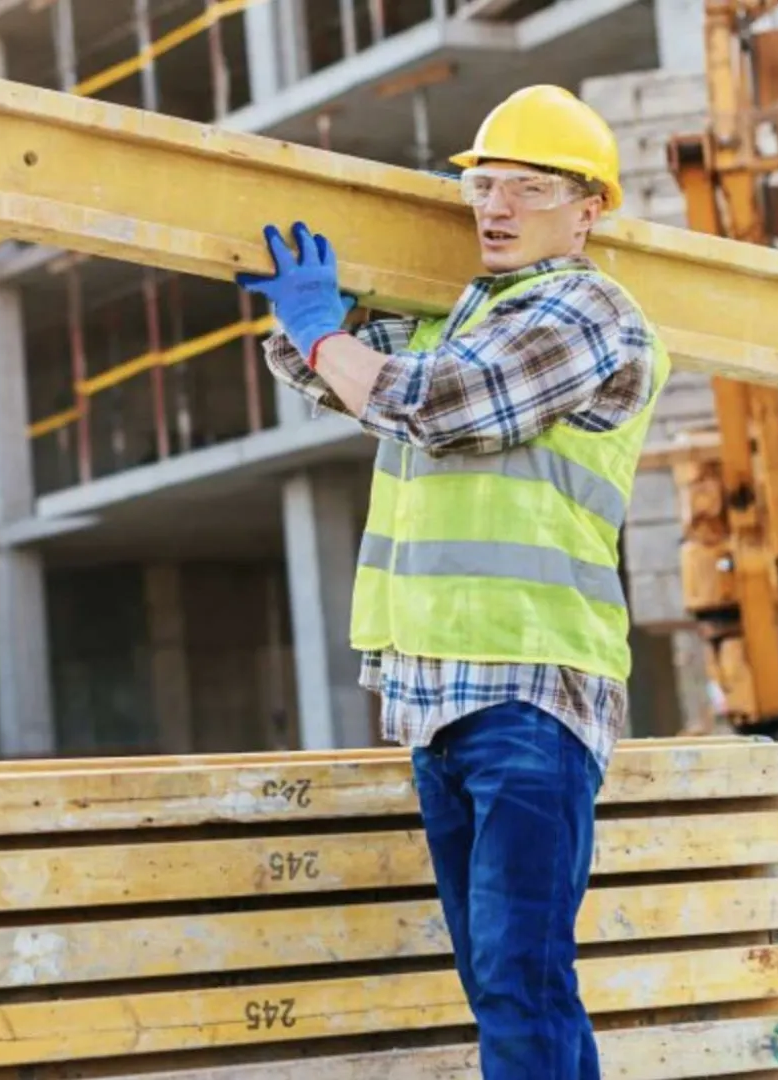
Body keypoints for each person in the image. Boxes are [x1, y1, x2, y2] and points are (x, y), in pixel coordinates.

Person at [235, 84, 668, 1079]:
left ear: (589, 206)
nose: (497, 207)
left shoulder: (588, 309)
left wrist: (322, 333)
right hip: (435, 697)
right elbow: (330, 374)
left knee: (521, 979)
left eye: (527, 188)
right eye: (484, 187)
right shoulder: (462, 315)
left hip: (532, 689)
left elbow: (441, 403)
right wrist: (310, 322)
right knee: (507, 981)